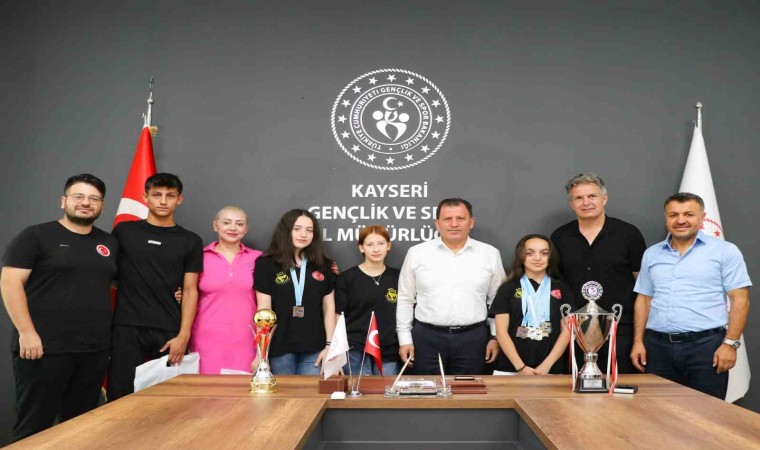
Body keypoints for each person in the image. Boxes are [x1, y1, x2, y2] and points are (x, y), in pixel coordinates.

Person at [1, 174, 118, 441]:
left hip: (94, 350)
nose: (86, 202)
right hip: (43, 348)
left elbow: (122, 283)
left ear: (101, 206)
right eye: (79, 196)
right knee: (34, 426)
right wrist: (26, 333)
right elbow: (10, 283)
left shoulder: (109, 243)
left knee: (81, 427)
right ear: (63, 201)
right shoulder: (36, 236)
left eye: (94, 198)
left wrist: (175, 292)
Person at [631, 193, 751, 399]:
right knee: (657, 413)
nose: (680, 220)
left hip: (706, 349)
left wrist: (730, 344)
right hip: (657, 350)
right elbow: (644, 299)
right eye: (673, 215)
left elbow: (740, 300)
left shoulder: (725, 251)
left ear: (702, 218)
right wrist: (638, 341)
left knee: (706, 414)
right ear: (666, 218)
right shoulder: (652, 254)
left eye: (688, 214)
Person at [107, 173, 203, 401]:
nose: (163, 201)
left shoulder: (190, 240)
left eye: (170, 196)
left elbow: (190, 290)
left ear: (179, 199)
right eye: (157, 195)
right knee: (119, 395)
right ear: (145, 197)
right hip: (127, 327)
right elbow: (108, 274)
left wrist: (184, 335)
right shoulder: (124, 231)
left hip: (169, 330)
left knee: (167, 401)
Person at [397, 198, 506, 375]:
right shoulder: (417, 253)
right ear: (437, 223)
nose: (454, 224)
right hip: (426, 339)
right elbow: (405, 299)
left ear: (471, 222)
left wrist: (495, 337)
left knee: (467, 391)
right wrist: (404, 339)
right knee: (428, 390)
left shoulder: (490, 254)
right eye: (447, 219)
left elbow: (497, 301)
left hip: (473, 339)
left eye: (460, 218)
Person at [550, 173, 646, 374]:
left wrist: (640, 338)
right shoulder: (559, 237)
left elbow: (644, 289)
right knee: (575, 389)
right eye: (578, 198)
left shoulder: (629, 234)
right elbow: (555, 286)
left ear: (604, 198)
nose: (586, 202)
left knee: (618, 389)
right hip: (573, 332)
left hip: (620, 331)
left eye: (592, 196)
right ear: (571, 204)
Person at [253, 209, 337, 375]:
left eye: (309, 230)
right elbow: (264, 312)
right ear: (286, 231)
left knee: (310, 391)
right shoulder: (266, 265)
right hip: (279, 346)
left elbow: (329, 308)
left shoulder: (324, 265)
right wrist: (261, 353)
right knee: (283, 392)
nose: (303, 234)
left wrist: (330, 347)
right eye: (297, 229)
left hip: (315, 347)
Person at [189, 206, 263, 374]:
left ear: (246, 229)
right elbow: (186, 293)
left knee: (244, 390)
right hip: (206, 339)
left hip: (247, 340)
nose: (233, 228)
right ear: (215, 225)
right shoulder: (199, 257)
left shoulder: (258, 258)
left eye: (239, 224)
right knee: (208, 389)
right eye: (227, 222)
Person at [490, 235, 574, 375]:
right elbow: (501, 332)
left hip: (551, 369)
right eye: (530, 253)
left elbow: (567, 331)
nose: (537, 258)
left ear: (551, 257)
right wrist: (520, 367)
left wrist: (546, 366)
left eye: (544, 253)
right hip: (512, 368)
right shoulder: (507, 289)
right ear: (520, 256)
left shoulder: (562, 289)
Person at [335, 225, 401, 376]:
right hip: (355, 349)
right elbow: (339, 316)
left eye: (381, 243)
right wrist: (336, 351)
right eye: (370, 244)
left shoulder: (398, 277)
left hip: (388, 349)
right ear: (361, 248)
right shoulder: (347, 278)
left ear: (388, 246)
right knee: (357, 390)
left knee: (386, 389)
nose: (376, 249)